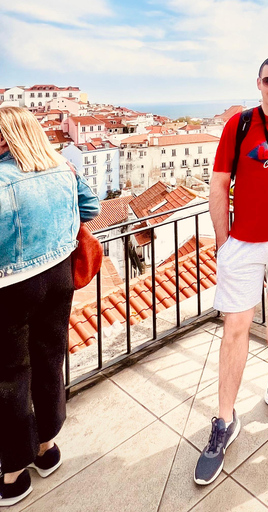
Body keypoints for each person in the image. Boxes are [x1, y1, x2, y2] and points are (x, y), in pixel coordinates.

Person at [195, 56, 268, 486]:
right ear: (258, 83)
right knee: (236, 326)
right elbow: (219, 184)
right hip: (242, 244)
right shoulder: (238, 125)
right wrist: (224, 241)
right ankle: (224, 420)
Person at [0, 106, 100, 506]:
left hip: (12, 287)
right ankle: (46, 449)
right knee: (48, 359)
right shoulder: (61, 168)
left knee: (10, 377)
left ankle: (12, 475)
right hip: (59, 277)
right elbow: (90, 210)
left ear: (6, 138)